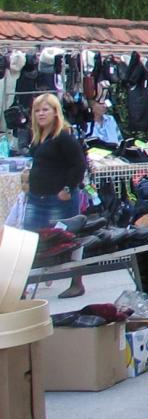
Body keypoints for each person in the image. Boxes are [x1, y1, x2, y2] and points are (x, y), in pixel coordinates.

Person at [24, 93, 88, 295]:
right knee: (29, 240)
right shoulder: (38, 138)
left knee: (68, 239)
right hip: (37, 198)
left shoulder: (63, 137)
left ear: (55, 112)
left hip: (58, 199)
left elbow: (79, 164)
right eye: (37, 110)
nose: (41, 114)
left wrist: (68, 188)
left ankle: (76, 282)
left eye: (45, 110)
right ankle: (24, 284)